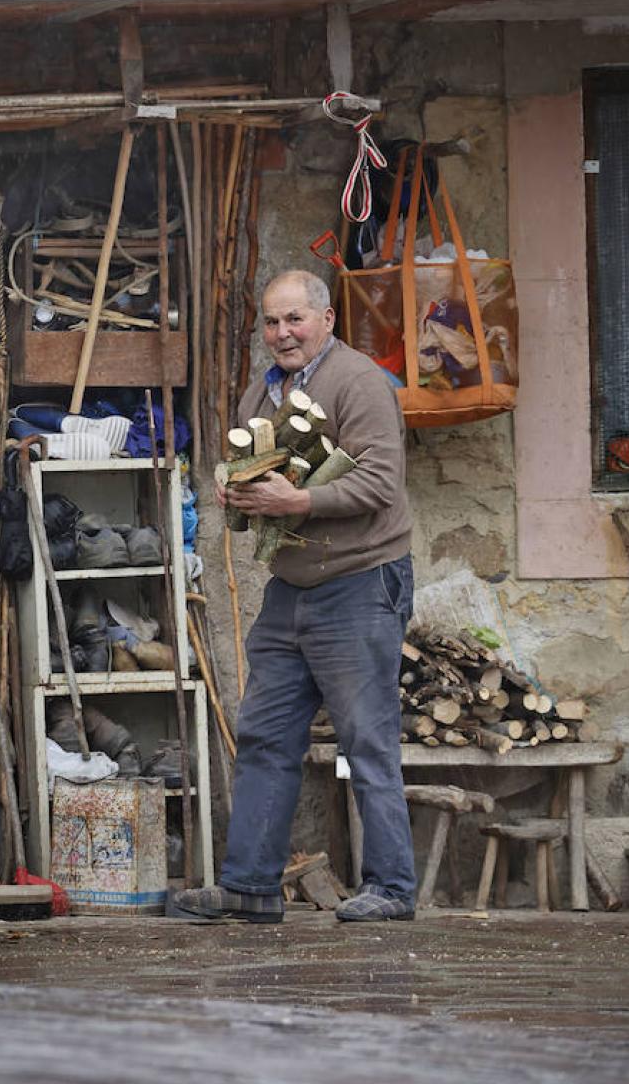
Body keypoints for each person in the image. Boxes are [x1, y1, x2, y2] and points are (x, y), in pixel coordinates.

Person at [172, 269, 416, 923]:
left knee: (366, 740)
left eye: (295, 320)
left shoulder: (358, 381)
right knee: (264, 735)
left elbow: (382, 485)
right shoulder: (265, 388)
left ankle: (392, 889)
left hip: (362, 582)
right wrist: (239, 492)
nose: (282, 334)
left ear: (327, 320)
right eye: (272, 323)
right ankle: (250, 886)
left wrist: (299, 499)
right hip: (292, 587)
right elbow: (264, 483)